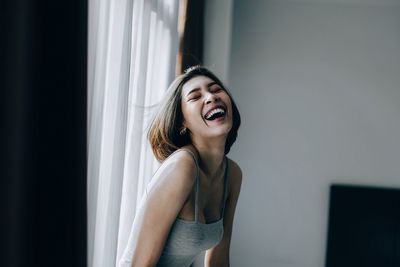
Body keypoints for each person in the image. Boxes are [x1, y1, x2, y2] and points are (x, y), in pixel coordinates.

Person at [119, 66, 242, 267]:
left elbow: (218, 260)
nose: (211, 97)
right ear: (183, 123)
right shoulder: (182, 167)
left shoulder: (233, 175)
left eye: (216, 89)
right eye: (195, 97)